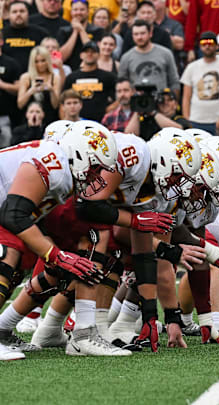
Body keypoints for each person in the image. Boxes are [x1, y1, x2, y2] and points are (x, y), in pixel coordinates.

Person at [0, 121, 118, 359]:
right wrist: (57, 255)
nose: (97, 176)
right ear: (79, 154)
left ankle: (1, 330)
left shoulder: (62, 171)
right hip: (6, 212)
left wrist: (59, 258)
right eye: (95, 167)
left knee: (27, 254)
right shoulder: (53, 162)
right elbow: (12, 214)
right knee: (8, 249)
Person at [180, 31, 219, 134]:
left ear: (217, 46)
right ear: (200, 46)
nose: (207, 46)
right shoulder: (191, 68)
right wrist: (187, 120)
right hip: (195, 120)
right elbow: (186, 97)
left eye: (211, 43)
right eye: (204, 43)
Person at [118, 20, 180, 93]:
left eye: (142, 33)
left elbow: (174, 82)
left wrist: (172, 101)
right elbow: (121, 85)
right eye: (136, 34)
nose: (139, 37)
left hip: (161, 100)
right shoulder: (126, 57)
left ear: (150, 34)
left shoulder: (166, 54)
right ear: (132, 36)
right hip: (136, 101)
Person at [63, 41, 116, 122]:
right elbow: (62, 102)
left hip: (101, 123)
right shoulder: (71, 78)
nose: (89, 54)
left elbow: (119, 98)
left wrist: (108, 111)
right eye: (86, 52)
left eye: (93, 52)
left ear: (98, 55)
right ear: (81, 55)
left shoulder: (108, 77)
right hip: (76, 123)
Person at [17, 45, 61, 126]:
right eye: (36, 61)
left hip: (50, 120)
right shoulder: (26, 77)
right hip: (29, 122)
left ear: (48, 60)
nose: (40, 64)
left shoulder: (55, 77)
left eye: (43, 60)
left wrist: (51, 90)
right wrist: (31, 91)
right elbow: (20, 104)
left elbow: (55, 105)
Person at [1, 1, 50, 72]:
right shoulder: (2, 34)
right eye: (14, 12)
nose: (18, 14)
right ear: (9, 15)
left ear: (28, 13)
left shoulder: (41, 33)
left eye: (22, 11)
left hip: (35, 75)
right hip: (7, 76)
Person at [57, 0, 105, 70]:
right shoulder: (63, 31)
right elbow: (61, 57)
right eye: (75, 10)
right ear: (71, 12)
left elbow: (94, 51)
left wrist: (81, 30)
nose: (78, 12)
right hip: (69, 71)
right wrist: (75, 32)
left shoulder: (98, 30)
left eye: (82, 10)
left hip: (91, 70)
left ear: (88, 12)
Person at [0, 32, 20, 147]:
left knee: (6, 148)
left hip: (4, 115)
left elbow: (19, 88)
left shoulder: (11, 63)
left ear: (1, 41)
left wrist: (3, 85)